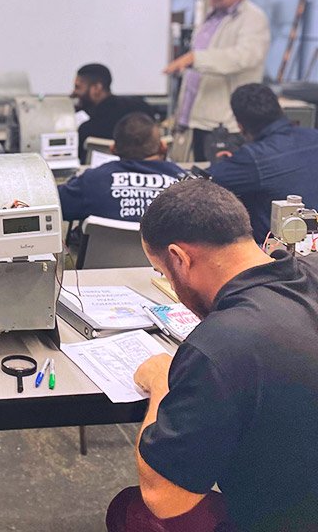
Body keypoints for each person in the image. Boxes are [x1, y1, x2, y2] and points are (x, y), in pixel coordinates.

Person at [106, 179, 318, 532]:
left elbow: (164, 499)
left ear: (179, 258)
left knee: (131, 510)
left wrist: (161, 381)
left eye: (164, 272)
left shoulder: (219, 346)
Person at [165, 0, 271, 162]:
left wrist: (195, 58)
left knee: (219, 180)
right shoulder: (211, 17)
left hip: (225, 126)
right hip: (195, 121)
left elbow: (244, 56)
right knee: (194, 178)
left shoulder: (253, 18)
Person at [207, 83, 318, 243]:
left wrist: (225, 162)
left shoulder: (253, 158)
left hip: (278, 252)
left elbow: (209, 182)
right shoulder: (314, 135)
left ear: (240, 125)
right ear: (280, 109)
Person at [58, 112, 183, 222]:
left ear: (113, 149)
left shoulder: (91, 181)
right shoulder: (186, 184)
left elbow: (53, 205)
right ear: (163, 147)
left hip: (105, 243)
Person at [70, 63, 155, 163]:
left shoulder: (87, 130)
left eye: (78, 87)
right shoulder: (143, 109)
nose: (73, 93)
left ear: (97, 88)